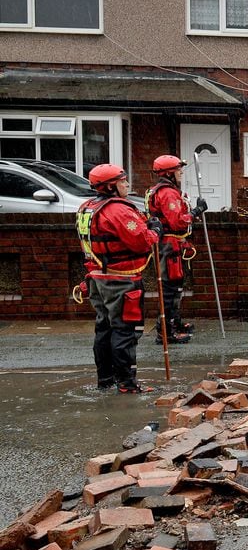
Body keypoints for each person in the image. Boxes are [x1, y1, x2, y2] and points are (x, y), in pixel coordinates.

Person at [76, 164, 160, 394]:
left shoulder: (87, 208)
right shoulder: (118, 210)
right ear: (111, 186)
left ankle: (105, 379)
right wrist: (155, 230)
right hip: (121, 280)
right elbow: (141, 241)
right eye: (123, 181)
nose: (127, 185)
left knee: (104, 329)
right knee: (125, 331)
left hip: (98, 278)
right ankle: (127, 383)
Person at [145, 154, 207, 344]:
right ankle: (166, 331)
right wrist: (196, 212)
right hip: (168, 245)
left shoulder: (165, 190)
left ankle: (175, 323)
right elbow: (177, 222)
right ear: (169, 173)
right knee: (170, 287)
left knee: (176, 284)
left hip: (171, 244)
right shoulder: (167, 193)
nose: (181, 172)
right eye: (178, 169)